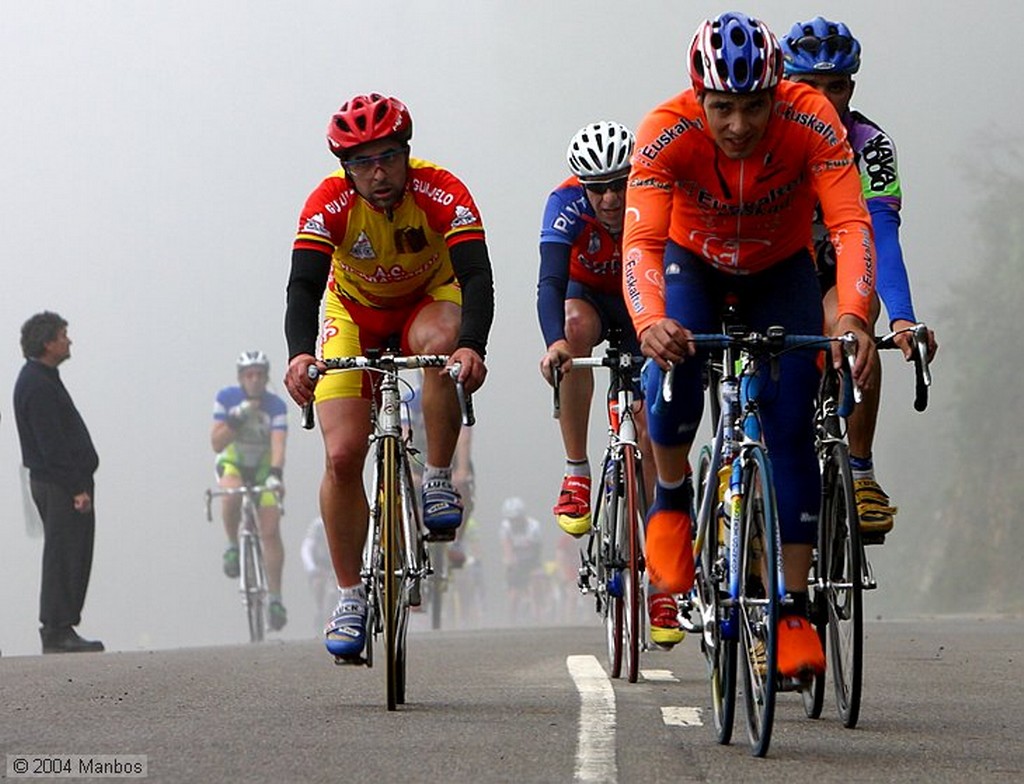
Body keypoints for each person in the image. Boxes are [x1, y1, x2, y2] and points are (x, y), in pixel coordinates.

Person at [623, 12, 879, 679]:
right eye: (723, 108)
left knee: (792, 426)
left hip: (780, 269)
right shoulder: (665, 130)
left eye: (755, 107)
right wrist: (650, 319)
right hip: (693, 264)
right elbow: (642, 243)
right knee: (672, 380)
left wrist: (851, 314)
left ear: (778, 92)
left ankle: (792, 606)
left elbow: (851, 224)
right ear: (697, 97)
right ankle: (673, 499)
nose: (738, 125)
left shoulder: (813, 119)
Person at [282, 93, 494, 660]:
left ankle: (439, 477)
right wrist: (299, 354)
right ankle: (350, 594)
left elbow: (476, 275)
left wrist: (473, 346)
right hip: (351, 313)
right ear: (345, 168)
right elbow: (303, 286)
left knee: (441, 346)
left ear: (407, 154)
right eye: (362, 163)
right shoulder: (328, 203)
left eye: (388, 158)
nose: (378, 174)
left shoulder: (442, 190)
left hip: (429, 302)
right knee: (343, 455)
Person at [780, 16, 939, 540]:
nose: (824, 99)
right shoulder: (767, 134)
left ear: (853, 85)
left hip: (841, 260)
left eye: (837, 86)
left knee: (851, 332)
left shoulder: (869, 143)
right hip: (777, 262)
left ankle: (861, 468)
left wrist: (904, 318)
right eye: (809, 87)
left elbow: (882, 234)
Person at [536, 121, 674, 644]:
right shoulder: (565, 204)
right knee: (573, 334)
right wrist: (554, 343)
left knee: (648, 433)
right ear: (583, 186)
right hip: (589, 301)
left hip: (643, 304)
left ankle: (663, 578)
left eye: (622, 183)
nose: (613, 198)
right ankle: (577, 471)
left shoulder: (656, 194)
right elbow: (549, 281)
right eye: (600, 189)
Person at [13, 312, 104, 654]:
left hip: (64, 482)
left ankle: (63, 624)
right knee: (62, 554)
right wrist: (75, 487)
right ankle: (56, 628)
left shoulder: (44, 377)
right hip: (59, 484)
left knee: (73, 553)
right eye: (64, 335)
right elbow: (51, 445)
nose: (69, 340)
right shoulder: (35, 384)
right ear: (48, 342)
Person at [211, 350, 290, 631]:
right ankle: (233, 545)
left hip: (263, 467)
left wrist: (276, 475)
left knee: (270, 529)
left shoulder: (275, 405)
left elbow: (279, 445)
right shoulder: (227, 398)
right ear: (241, 378)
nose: (254, 380)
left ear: (266, 378)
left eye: (259, 375)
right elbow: (217, 444)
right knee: (231, 494)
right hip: (233, 462)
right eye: (249, 375)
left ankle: (276, 598)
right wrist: (237, 417)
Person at [498, 497, 544, 624]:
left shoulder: (534, 526)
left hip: (531, 562)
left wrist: (535, 571)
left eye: (516, 519)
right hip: (515, 562)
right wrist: (511, 563)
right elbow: (506, 548)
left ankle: (538, 615)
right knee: (513, 595)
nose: (514, 522)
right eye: (511, 519)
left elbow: (537, 551)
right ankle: (510, 621)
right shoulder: (506, 527)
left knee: (537, 584)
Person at [300, 517, 334, 633]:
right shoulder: (318, 526)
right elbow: (307, 548)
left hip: (336, 564)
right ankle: (320, 610)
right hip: (321, 565)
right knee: (319, 583)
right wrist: (312, 569)